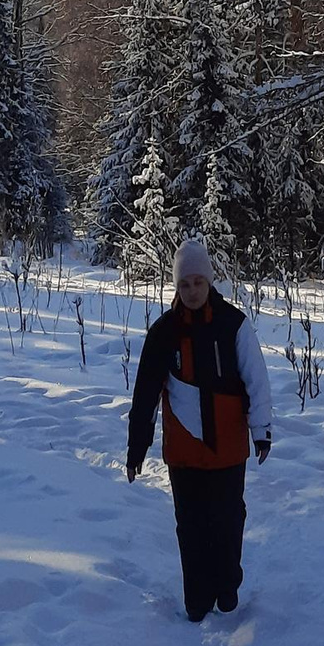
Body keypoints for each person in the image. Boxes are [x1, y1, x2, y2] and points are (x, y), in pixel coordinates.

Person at [125, 235, 272, 620]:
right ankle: (196, 599)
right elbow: (144, 396)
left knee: (227, 521)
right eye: (184, 284)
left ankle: (227, 587)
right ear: (176, 286)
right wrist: (136, 449)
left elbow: (257, 381)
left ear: (210, 281)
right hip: (184, 453)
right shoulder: (163, 333)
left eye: (198, 282)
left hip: (227, 450)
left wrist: (262, 429)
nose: (192, 291)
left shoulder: (234, 325)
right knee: (190, 528)